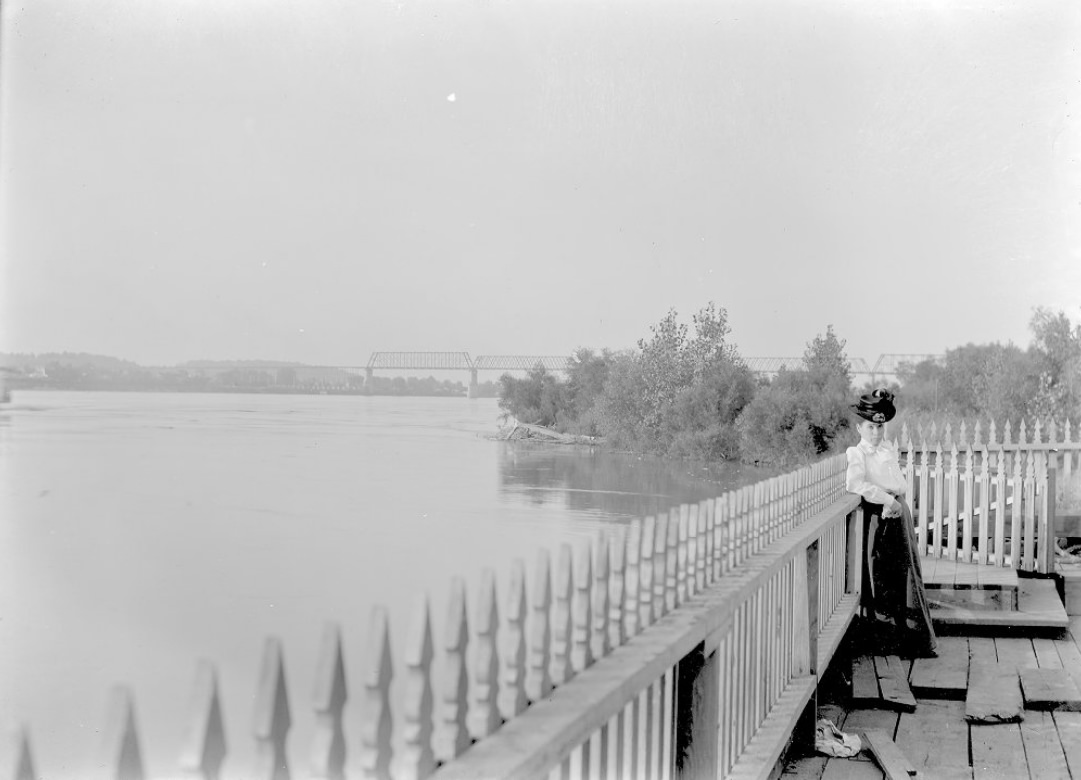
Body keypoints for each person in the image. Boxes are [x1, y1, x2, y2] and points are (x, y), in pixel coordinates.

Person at [846, 389, 937, 657]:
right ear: (859, 428)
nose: (876, 432)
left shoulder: (886, 449)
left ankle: (911, 638)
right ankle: (887, 638)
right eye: (870, 427)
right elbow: (855, 484)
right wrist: (887, 500)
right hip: (880, 516)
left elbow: (897, 482)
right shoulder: (857, 453)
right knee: (881, 575)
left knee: (906, 574)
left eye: (880, 427)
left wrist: (896, 502)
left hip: (899, 514)